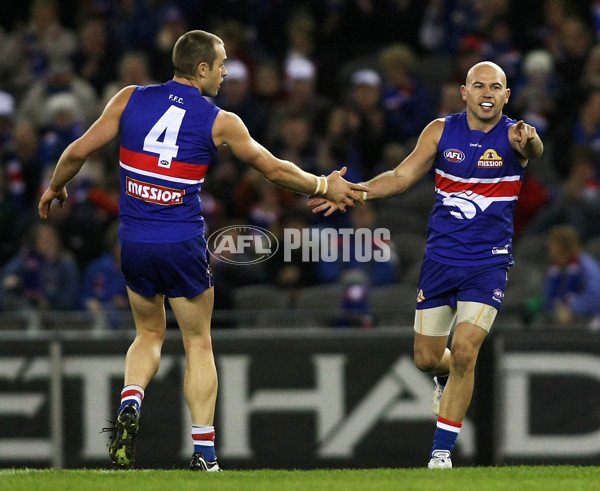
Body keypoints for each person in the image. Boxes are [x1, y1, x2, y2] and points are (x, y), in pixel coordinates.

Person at [37, 29, 366, 471]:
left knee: (148, 334)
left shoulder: (128, 98)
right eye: (223, 63)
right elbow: (273, 168)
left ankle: (131, 401)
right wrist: (326, 184)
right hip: (181, 242)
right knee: (198, 342)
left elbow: (77, 151)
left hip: (132, 241)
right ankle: (204, 453)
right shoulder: (220, 120)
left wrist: (56, 187)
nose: (228, 71)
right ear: (202, 68)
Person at [310, 61, 543, 468]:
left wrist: (532, 140)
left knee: (467, 351)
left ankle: (441, 453)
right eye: (479, 86)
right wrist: (355, 192)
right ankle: (444, 375)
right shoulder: (439, 131)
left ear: (507, 96)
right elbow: (401, 177)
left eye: (496, 87)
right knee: (427, 357)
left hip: (486, 265)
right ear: (464, 92)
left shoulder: (515, 136)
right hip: (440, 261)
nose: (487, 93)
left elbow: (533, 150)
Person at [544, 224, 600, 330]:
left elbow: (596, 296)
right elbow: (549, 299)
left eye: (553, 244)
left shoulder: (586, 265)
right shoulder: (554, 269)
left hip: (591, 318)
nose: (549, 247)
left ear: (562, 246)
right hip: (564, 319)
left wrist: (572, 308)